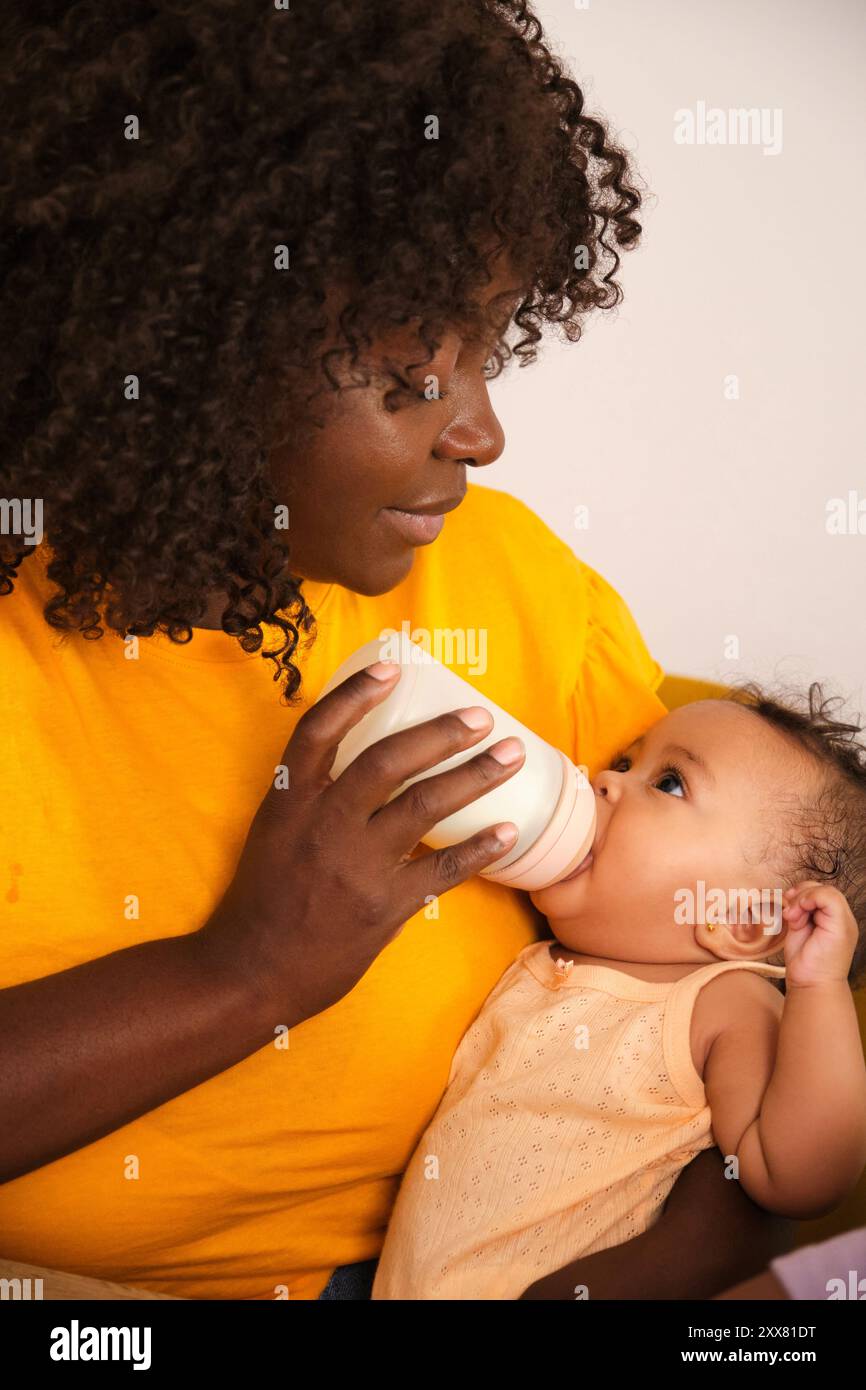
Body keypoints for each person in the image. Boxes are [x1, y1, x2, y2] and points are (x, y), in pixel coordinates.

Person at [0, 0, 791, 1298]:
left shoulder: (514, 580)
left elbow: (765, 1035)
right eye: (410, 374)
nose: (481, 432)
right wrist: (244, 972)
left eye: (487, 347)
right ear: (183, 351)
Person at [371, 688, 866, 1298]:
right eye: (627, 762)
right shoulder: (540, 960)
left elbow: (800, 1178)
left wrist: (818, 988)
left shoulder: (721, 1003)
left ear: (740, 920)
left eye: (670, 784)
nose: (603, 778)